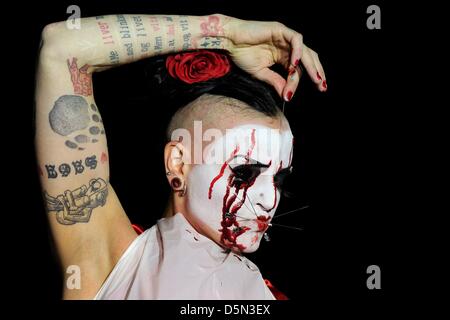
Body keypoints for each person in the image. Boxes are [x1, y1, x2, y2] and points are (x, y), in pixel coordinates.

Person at [36, 13, 327, 299]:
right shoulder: (111, 261)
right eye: (244, 173)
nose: (269, 198)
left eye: (278, 178)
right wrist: (226, 34)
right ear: (178, 163)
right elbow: (62, 47)